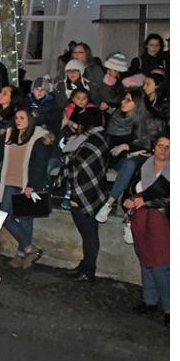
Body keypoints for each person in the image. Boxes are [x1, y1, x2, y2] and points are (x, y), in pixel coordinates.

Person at [0, 108, 53, 268]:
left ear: (30, 120)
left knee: (26, 220)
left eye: (22, 118)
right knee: (5, 216)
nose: (18, 120)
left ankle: (21, 255)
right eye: (16, 118)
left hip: (27, 184)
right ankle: (29, 248)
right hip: (9, 181)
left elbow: (39, 165)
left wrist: (31, 185)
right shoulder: (10, 134)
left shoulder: (38, 138)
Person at [98, 89, 166, 220]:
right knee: (125, 162)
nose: (123, 102)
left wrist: (128, 147)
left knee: (132, 163)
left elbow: (151, 145)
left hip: (144, 160)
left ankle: (108, 204)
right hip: (120, 157)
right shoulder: (118, 116)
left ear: (138, 104)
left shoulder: (151, 120)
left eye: (128, 100)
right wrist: (129, 149)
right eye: (124, 98)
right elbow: (111, 141)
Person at [124, 133, 170, 325]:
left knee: (160, 265)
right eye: (161, 145)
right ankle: (150, 301)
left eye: (168, 147)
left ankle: (170, 308)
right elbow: (134, 188)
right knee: (145, 260)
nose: (164, 150)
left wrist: (145, 200)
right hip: (143, 218)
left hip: (163, 220)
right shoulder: (145, 166)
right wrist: (129, 199)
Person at [62, 107, 109, 283]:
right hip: (91, 193)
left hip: (84, 195)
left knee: (89, 235)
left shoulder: (92, 142)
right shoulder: (95, 138)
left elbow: (79, 168)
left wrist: (75, 197)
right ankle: (86, 266)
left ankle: (89, 270)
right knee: (88, 234)